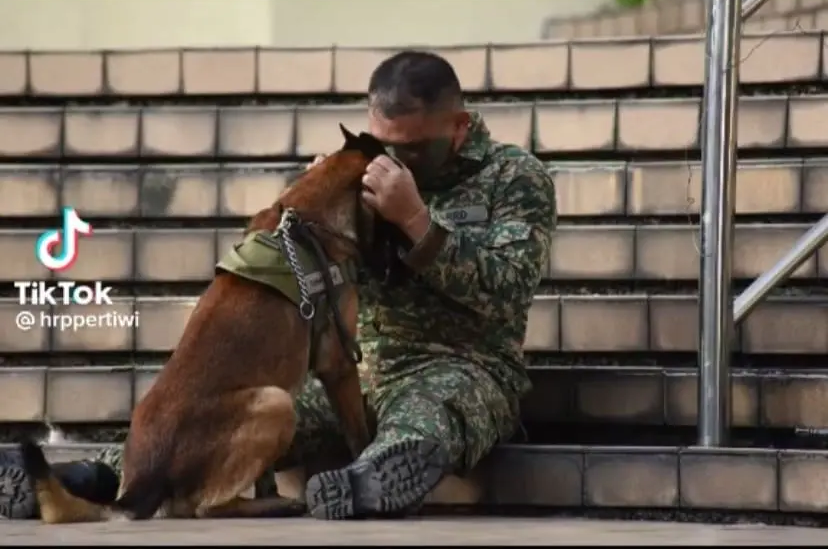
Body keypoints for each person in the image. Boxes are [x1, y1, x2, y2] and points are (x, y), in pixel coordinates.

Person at [0, 50, 557, 521]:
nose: (393, 161)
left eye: (412, 149)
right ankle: (86, 477)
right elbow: (310, 279)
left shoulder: (515, 178)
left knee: (430, 417)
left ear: (458, 128)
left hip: (461, 367)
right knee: (225, 416)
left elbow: (505, 289)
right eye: (383, 143)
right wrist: (320, 210)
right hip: (354, 370)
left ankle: (369, 484)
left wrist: (416, 221)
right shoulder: (358, 172)